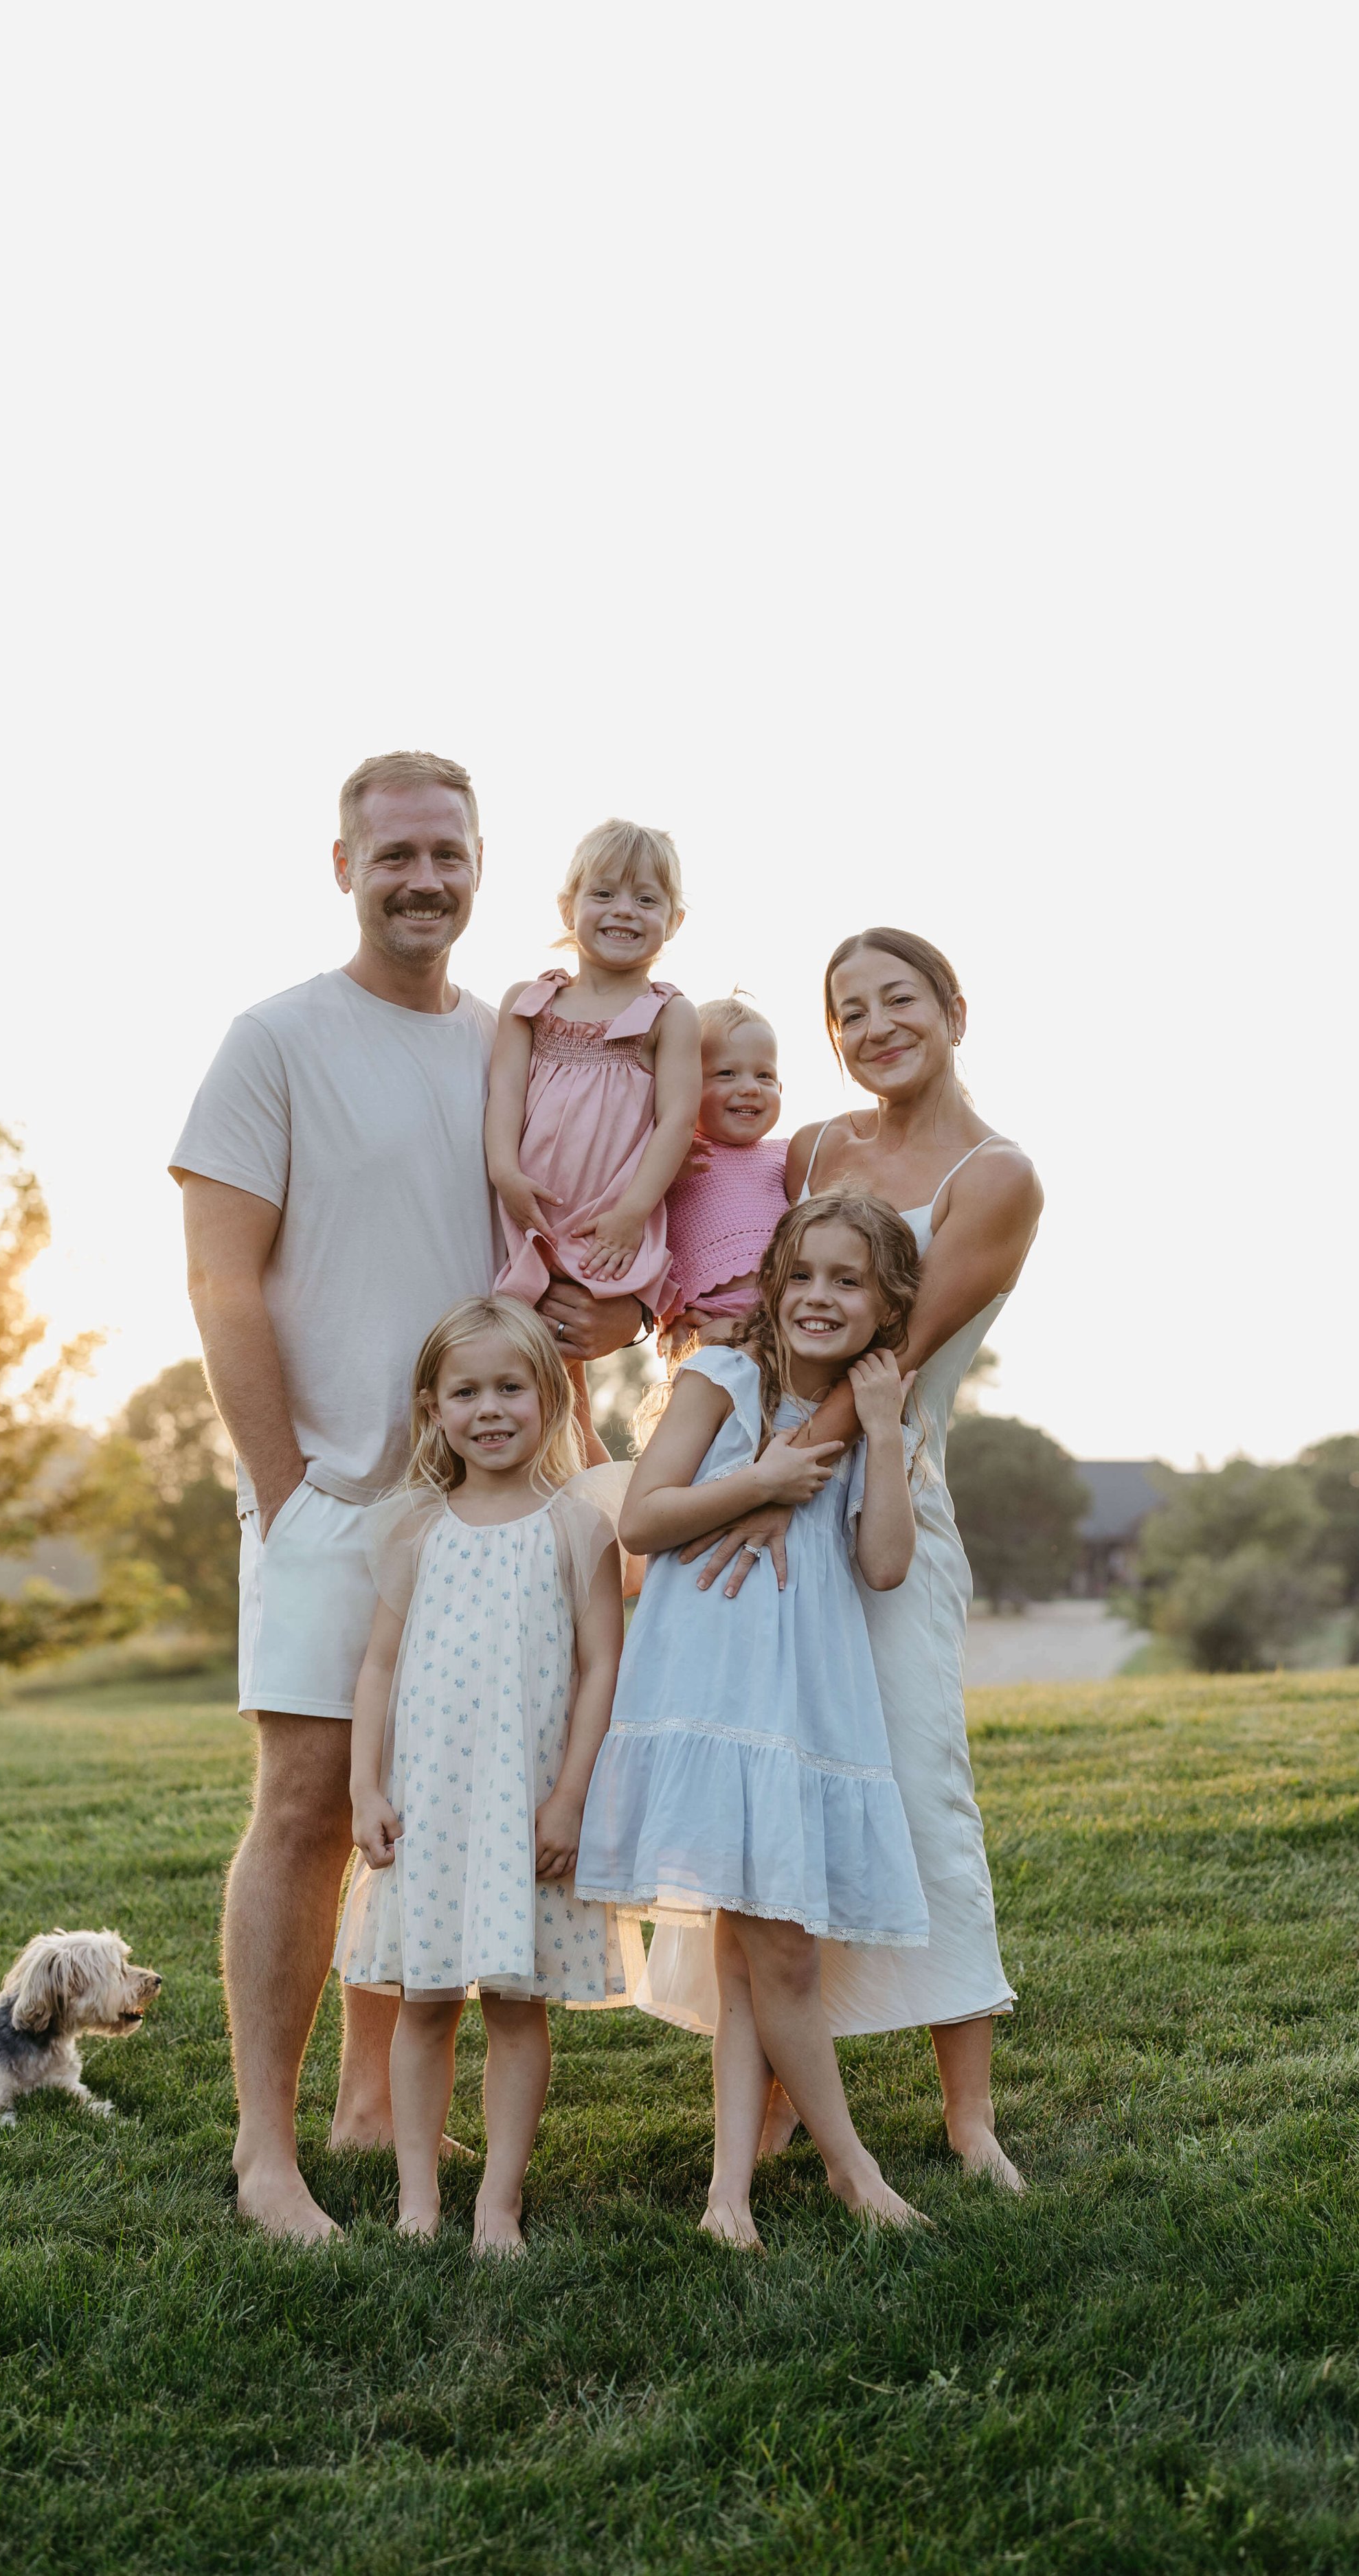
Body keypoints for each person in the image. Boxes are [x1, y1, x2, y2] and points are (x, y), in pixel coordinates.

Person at [170, 752, 647, 2242]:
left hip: (506, 1509)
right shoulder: (276, 1042)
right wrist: (286, 1488)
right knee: (312, 1802)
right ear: (342, 867)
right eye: (394, 857)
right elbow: (219, 1279)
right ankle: (268, 2152)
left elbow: (585, 1252)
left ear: (482, 864)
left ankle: (375, 2101)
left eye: (446, 854)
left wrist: (611, 1322)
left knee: (451, 1791)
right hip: (329, 1497)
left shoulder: (518, 1041)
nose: (422, 880)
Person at [662, 928, 1043, 2192]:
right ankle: (774, 2096)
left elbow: (898, 1351)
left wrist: (786, 1488)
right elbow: (749, 1270)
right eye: (849, 1012)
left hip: (882, 1493)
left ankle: (967, 2109)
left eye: (899, 1001)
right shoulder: (816, 1148)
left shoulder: (998, 1177)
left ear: (953, 1008)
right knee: (777, 1788)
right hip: (763, 1486)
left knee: (921, 1780)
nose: (875, 1027)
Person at [577, 1195, 930, 2248]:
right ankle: (849, 2167)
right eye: (805, 1275)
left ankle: (728, 2191)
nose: (822, 1297)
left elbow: (883, 1561)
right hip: (711, 1688)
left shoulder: (869, 1410)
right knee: (777, 1953)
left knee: (755, 1952)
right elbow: (642, 1518)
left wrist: (881, 1434)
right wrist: (764, 1477)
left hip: (800, 1698)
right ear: (774, 1285)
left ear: (887, 1305)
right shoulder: (721, 1377)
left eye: (850, 1281)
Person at [334, 1298, 640, 2255]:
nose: (491, 1408)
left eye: (511, 1387)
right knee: (422, 2002)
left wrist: (571, 1797)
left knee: (515, 2006)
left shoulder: (577, 1528)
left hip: (526, 1808)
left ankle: (496, 2203)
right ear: (433, 1405)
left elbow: (603, 1667)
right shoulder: (416, 1530)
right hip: (430, 1806)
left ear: (549, 1398)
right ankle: (418, 2198)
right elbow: (378, 1667)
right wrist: (364, 1788)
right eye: (466, 1390)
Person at [485, 819, 702, 1403]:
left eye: (646, 898)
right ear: (567, 907)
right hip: (528, 1203)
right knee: (514, 1360)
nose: (624, 911)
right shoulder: (529, 1003)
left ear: (674, 921)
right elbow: (504, 1094)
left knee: (566, 1362)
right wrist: (505, 1172)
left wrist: (633, 1212)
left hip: (607, 1213)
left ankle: (579, 1476)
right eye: (603, 894)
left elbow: (678, 1121)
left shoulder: (670, 1016)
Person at [657, 996, 791, 1353]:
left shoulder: (791, 1155)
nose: (749, 1087)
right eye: (726, 1073)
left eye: (765, 1075)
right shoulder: (669, 1157)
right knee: (714, 1397)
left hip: (790, 1315)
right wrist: (668, 1317)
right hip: (709, 1319)